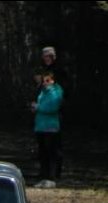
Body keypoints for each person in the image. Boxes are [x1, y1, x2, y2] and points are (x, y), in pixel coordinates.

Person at [33, 46, 67, 178]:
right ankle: (44, 171)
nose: (47, 59)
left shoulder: (59, 72)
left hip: (54, 114)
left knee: (54, 146)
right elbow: (38, 88)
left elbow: (62, 91)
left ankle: (55, 172)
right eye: (45, 56)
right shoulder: (41, 70)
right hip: (41, 114)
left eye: (49, 56)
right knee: (42, 146)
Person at [31, 71, 64, 189]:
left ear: (53, 81)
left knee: (51, 152)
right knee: (42, 152)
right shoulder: (42, 93)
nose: (45, 83)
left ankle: (52, 177)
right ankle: (43, 176)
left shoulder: (56, 92)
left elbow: (53, 107)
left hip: (51, 128)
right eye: (44, 81)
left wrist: (38, 107)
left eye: (48, 80)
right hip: (40, 126)